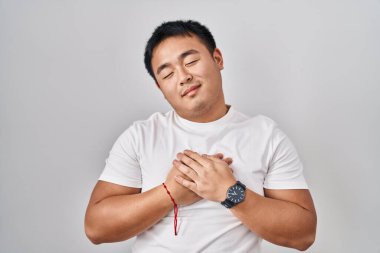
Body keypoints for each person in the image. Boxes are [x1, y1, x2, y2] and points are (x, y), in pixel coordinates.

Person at [84, 20, 317, 252]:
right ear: (160, 88)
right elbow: (96, 228)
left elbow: (304, 234)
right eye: (167, 75)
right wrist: (170, 193)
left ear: (217, 59)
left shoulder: (266, 135)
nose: (183, 77)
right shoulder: (141, 136)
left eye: (191, 61)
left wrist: (229, 192)